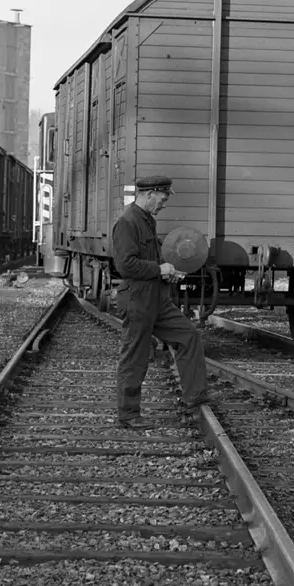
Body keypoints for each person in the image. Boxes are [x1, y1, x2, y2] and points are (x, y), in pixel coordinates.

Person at [111, 175, 210, 429]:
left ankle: (195, 397)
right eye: (163, 198)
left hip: (157, 298)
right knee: (135, 355)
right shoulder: (127, 223)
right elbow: (125, 266)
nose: (163, 203)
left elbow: (152, 263)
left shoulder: (146, 221)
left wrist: (169, 273)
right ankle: (129, 414)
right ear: (150, 194)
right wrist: (160, 269)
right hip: (137, 299)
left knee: (189, 336)